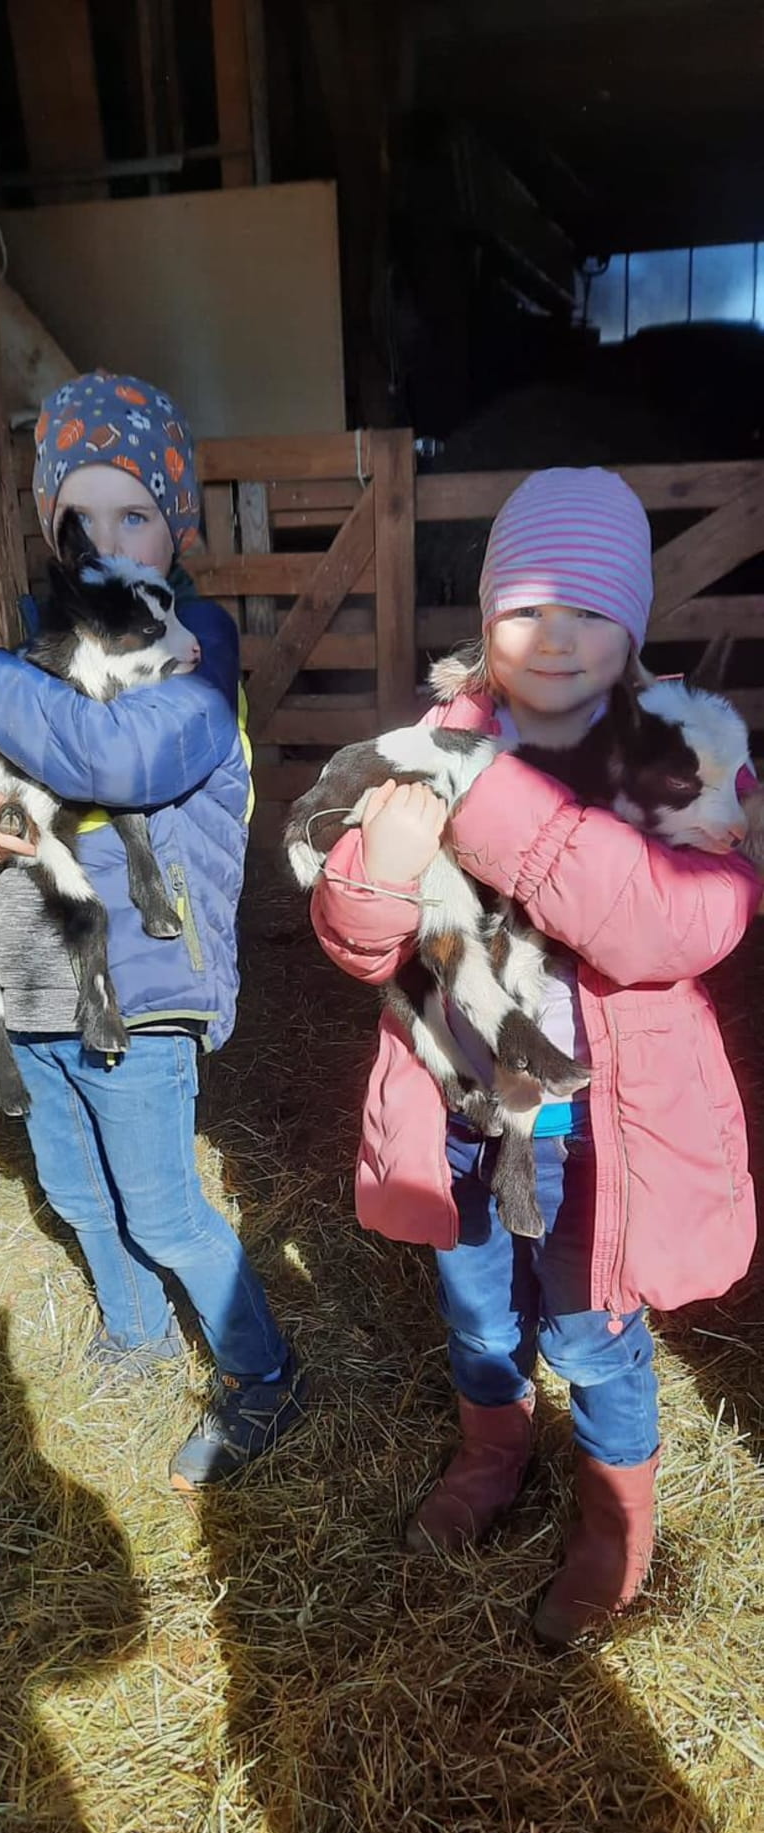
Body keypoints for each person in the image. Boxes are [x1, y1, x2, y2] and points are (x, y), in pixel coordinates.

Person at [309, 466, 761, 1645]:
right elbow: (360, 944)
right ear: (483, 617)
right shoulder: (431, 746)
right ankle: (491, 1451)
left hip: (598, 1138)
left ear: (634, 619)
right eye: (522, 606)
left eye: (586, 607)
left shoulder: (686, 755)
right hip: (462, 1112)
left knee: (590, 1332)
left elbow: (673, 922)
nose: (551, 636)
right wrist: (382, 877)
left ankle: (617, 1521)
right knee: (475, 1313)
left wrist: (484, 800)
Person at [0, 369, 307, 1489]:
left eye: (136, 512)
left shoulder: (192, 651)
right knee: (79, 1195)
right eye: (80, 516)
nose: (109, 539)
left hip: (140, 984)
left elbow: (116, 758)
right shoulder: (30, 663)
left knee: (165, 1209)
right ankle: (131, 1336)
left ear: (175, 525)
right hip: (30, 982)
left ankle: (263, 1374)